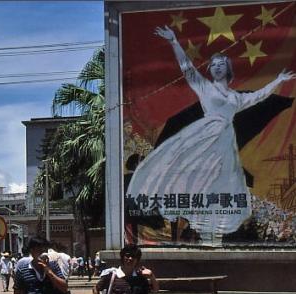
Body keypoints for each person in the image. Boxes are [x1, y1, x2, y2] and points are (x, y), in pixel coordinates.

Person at [126, 25, 296, 241]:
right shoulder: (205, 88)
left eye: (221, 64)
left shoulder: (236, 98)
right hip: (203, 137)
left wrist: (278, 80)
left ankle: (210, 234)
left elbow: (260, 96)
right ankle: (190, 222)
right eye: (213, 64)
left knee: (220, 183)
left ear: (228, 69)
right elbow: (188, 69)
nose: (216, 67)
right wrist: (174, 41)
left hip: (225, 143)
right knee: (192, 176)